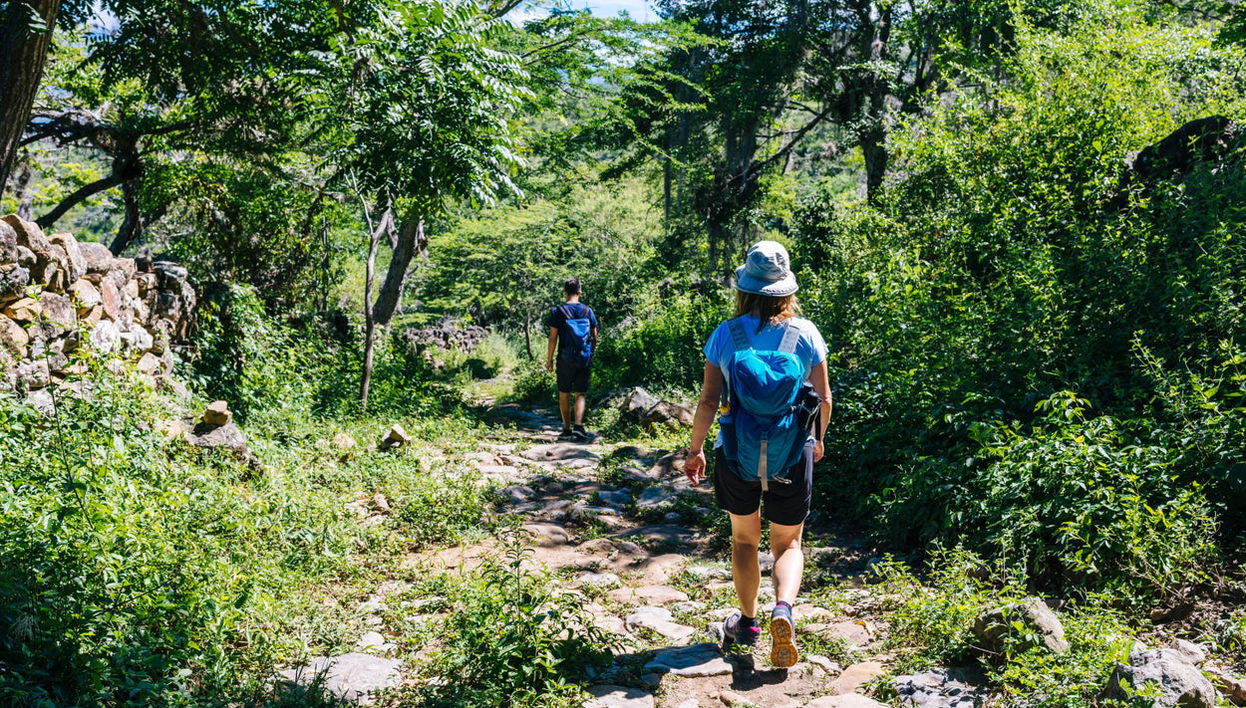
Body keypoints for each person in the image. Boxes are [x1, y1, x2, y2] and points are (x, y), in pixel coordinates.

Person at [683, 241, 832, 668]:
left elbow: (709, 401)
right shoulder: (805, 333)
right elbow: (823, 397)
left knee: (745, 540)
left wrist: (695, 451)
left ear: (744, 286)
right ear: (786, 288)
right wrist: (817, 439)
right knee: (789, 542)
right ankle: (782, 610)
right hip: (791, 450)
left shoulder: (725, 334)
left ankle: (747, 622)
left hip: (736, 451)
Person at [546, 277, 600, 442]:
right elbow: (595, 336)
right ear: (580, 292)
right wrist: (590, 353)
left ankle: (566, 429)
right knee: (580, 393)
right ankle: (578, 426)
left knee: (564, 392)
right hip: (583, 357)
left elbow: (552, 338)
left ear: (565, 292)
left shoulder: (558, 311)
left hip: (564, 358)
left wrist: (549, 360)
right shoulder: (587, 311)